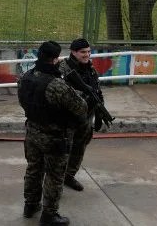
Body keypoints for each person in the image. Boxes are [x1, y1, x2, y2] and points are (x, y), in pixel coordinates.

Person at [18, 40, 88, 225]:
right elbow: (80, 108)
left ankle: (30, 205)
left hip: (32, 132)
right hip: (54, 138)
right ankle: (49, 215)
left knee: (33, 169)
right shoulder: (56, 84)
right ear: (56, 59)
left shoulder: (26, 77)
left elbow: (23, 101)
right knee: (54, 176)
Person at [59, 38, 104, 192]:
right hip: (68, 119)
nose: (87, 55)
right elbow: (62, 92)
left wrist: (99, 113)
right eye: (83, 52)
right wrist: (84, 96)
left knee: (80, 147)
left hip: (86, 118)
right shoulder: (63, 69)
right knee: (63, 150)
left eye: (89, 51)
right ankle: (56, 179)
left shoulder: (90, 69)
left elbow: (97, 91)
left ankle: (69, 175)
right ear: (73, 52)